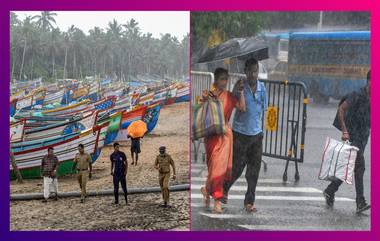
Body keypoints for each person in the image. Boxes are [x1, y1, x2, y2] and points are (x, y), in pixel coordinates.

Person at [223, 58, 268, 213]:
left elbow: (263, 109)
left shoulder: (262, 88)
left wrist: (260, 131)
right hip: (240, 134)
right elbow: (235, 105)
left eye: (255, 71)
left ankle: (249, 201)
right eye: (250, 71)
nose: (253, 74)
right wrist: (239, 91)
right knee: (236, 168)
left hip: (256, 135)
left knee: (254, 171)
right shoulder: (239, 86)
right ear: (245, 71)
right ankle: (224, 189)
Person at [324, 70, 371, 214]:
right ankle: (360, 202)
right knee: (360, 167)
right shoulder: (357, 94)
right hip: (354, 135)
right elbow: (341, 109)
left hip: (363, 136)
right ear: (370, 81)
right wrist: (344, 130)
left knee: (350, 167)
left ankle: (330, 190)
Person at [200, 67, 246, 213]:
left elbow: (242, 108)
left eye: (226, 79)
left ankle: (217, 203)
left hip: (225, 137)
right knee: (213, 169)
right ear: (215, 80)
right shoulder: (208, 95)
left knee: (219, 170)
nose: (224, 82)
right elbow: (202, 115)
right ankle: (207, 190)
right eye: (222, 79)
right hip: (211, 137)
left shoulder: (230, 96)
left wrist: (241, 91)